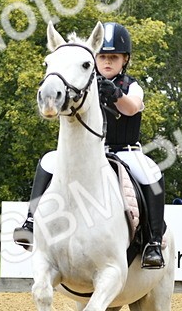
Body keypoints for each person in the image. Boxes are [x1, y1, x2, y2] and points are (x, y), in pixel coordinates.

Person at [13, 22, 167, 269]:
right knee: (48, 161)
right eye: (102, 56)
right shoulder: (84, 82)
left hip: (125, 152)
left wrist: (116, 94)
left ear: (124, 60)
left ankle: (153, 243)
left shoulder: (131, 85)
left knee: (152, 174)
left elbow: (132, 108)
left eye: (113, 57)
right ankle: (31, 223)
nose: (107, 62)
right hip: (91, 153)